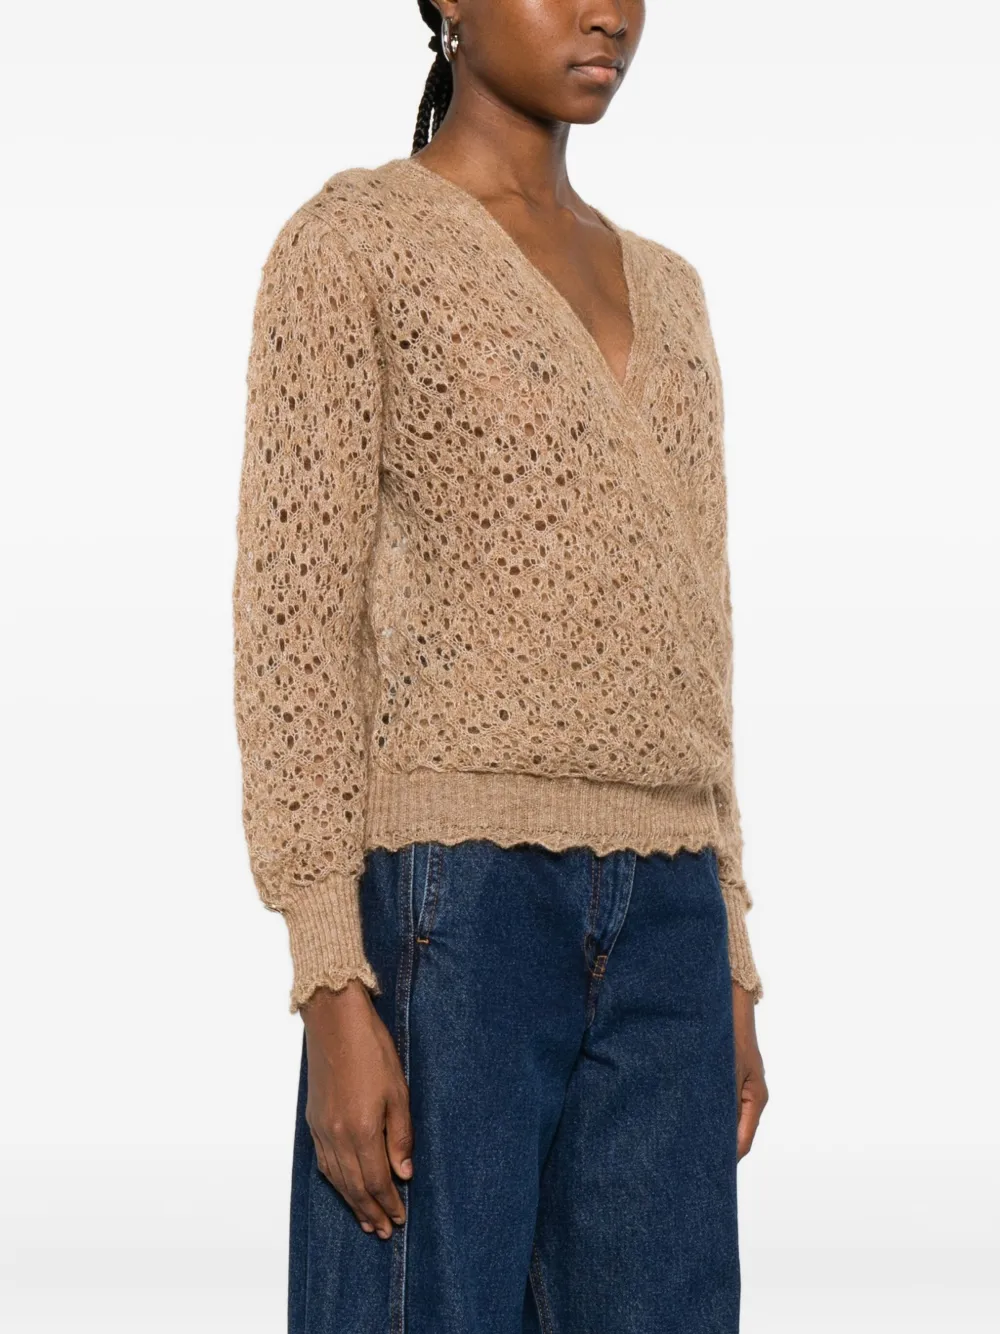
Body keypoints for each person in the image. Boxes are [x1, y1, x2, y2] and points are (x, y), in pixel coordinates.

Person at [232, 1, 769, 1329]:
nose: (608, 14)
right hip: (455, 907)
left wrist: (731, 948)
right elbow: (294, 624)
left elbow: (700, 636)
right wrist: (329, 977)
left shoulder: (673, 290)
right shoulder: (356, 243)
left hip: (671, 919)